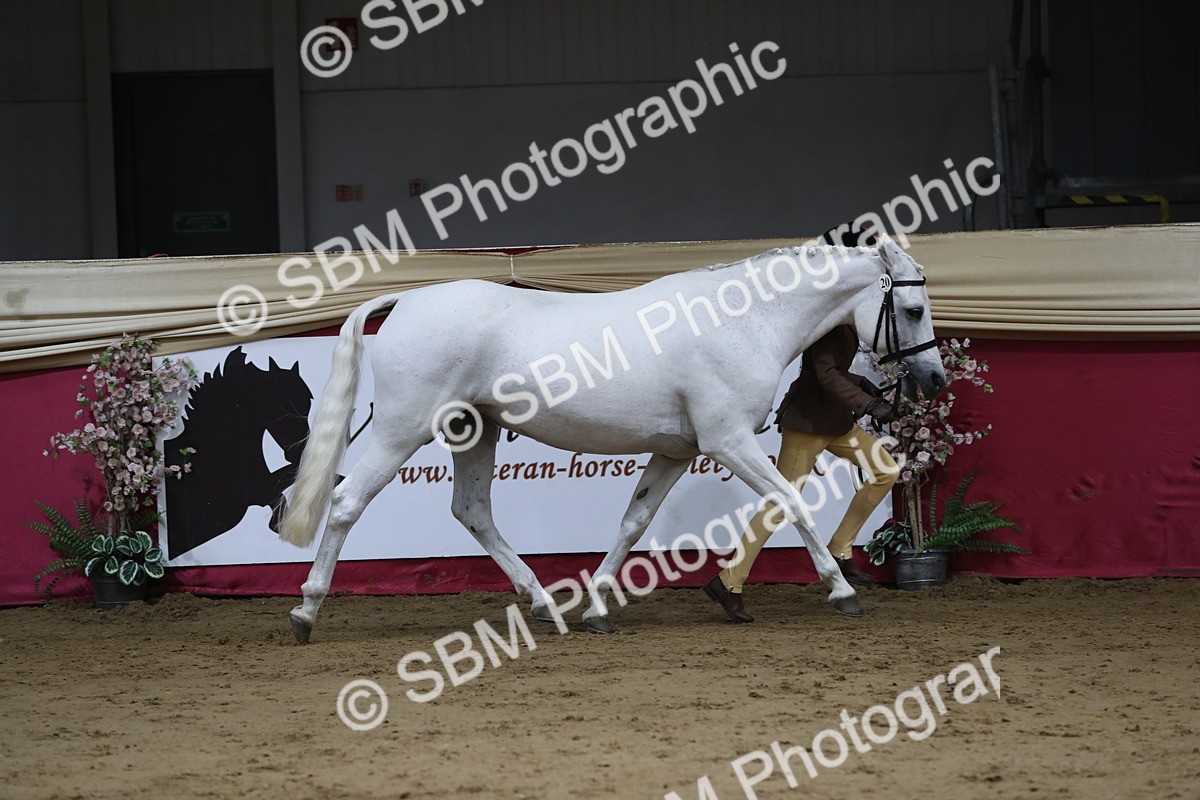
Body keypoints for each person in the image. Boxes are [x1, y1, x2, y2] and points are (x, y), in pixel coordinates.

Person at [703, 324, 900, 623]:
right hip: (807, 425)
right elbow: (824, 374)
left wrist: (861, 382)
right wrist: (868, 403)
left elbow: (834, 370)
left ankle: (840, 549)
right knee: (779, 505)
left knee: (885, 470)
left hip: (837, 423)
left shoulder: (845, 323)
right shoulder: (829, 324)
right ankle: (728, 581)